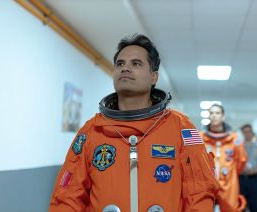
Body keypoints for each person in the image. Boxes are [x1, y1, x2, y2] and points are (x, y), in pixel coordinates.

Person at [49, 34, 219, 212]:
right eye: (120, 64)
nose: (125, 68)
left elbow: (199, 191)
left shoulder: (181, 127)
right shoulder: (92, 130)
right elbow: (68, 197)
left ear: (154, 77)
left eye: (136, 64)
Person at [200, 104, 247, 212]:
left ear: (223, 116)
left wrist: (229, 172)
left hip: (228, 183)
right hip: (205, 183)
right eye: (211, 113)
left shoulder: (234, 138)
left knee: (230, 209)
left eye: (217, 113)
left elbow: (241, 160)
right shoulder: (200, 137)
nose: (214, 116)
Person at [239, 124, 257, 212]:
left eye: (249, 132)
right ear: (242, 133)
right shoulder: (238, 148)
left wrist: (254, 170)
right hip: (241, 180)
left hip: (254, 180)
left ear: (252, 133)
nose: (247, 134)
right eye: (245, 132)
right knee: (241, 205)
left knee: (254, 205)